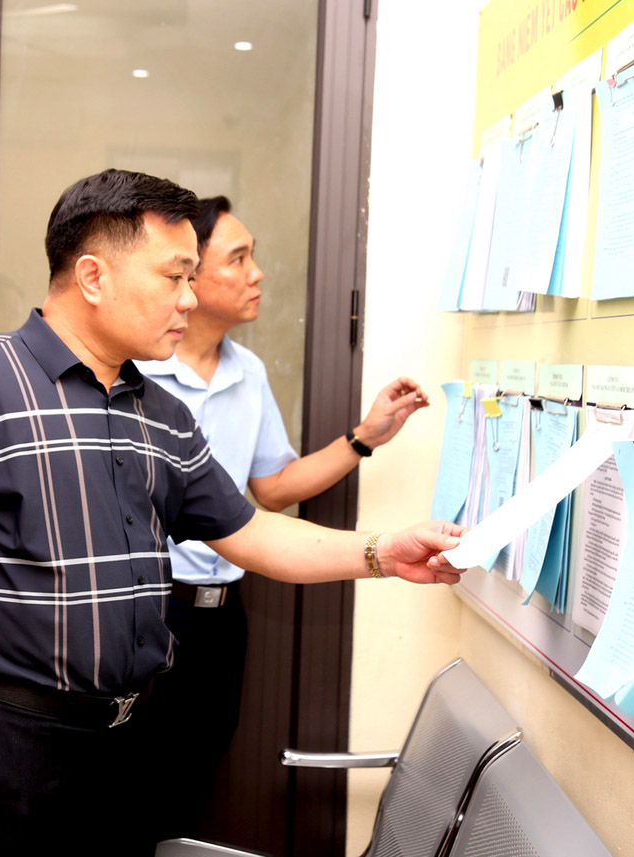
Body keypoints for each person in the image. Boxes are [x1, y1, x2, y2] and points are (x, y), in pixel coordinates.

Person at [0, 168, 465, 857]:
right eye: (175, 276)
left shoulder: (162, 415)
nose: (189, 298)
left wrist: (384, 551)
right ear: (93, 276)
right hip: (15, 742)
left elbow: (251, 531)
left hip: (132, 737)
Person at [134, 196, 430, 836]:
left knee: (189, 784)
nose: (257, 273)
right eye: (238, 259)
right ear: (190, 276)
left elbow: (271, 488)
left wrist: (363, 438)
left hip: (220, 618)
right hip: (149, 609)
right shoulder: (137, 375)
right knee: (123, 790)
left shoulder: (248, 372)